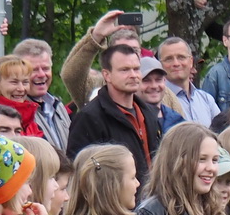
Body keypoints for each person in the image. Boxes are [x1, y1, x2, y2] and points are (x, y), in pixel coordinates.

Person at [66, 41, 161, 182]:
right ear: (107, 75)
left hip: (151, 193)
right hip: (113, 194)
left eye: (136, 69)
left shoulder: (149, 113)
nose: (133, 75)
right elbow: (80, 171)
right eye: (125, 70)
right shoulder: (89, 118)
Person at [9, 38, 70, 150]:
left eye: (46, 68)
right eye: (34, 70)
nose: (41, 74)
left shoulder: (58, 106)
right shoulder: (14, 113)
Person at [152, 35, 217, 127]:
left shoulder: (206, 99)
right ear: (159, 64)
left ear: (191, 61)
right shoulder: (157, 100)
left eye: (181, 57)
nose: (176, 63)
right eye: (169, 59)